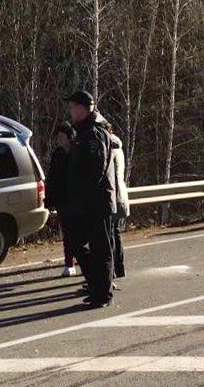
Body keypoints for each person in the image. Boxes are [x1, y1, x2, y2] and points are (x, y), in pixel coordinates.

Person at [66, 90, 116, 309]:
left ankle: (102, 293)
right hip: (86, 202)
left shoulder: (93, 134)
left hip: (96, 202)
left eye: (73, 107)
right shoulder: (83, 133)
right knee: (82, 245)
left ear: (84, 108)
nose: (70, 111)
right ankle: (97, 288)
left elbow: (95, 170)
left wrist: (81, 194)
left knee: (100, 248)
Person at [45, 122, 77, 277]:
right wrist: (49, 201)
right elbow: (51, 178)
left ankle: (83, 261)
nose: (59, 140)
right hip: (63, 200)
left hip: (77, 199)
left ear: (70, 137)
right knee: (68, 232)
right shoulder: (57, 154)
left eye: (62, 136)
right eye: (58, 137)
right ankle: (69, 263)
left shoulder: (77, 153)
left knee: (80, 233)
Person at [108, 130, 129, 279]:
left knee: (110, 234)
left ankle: (113, 270)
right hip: (120, 195)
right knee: (115, 232)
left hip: (113, 197)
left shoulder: (110, 149)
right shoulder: (118, 149)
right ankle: (119, 267)